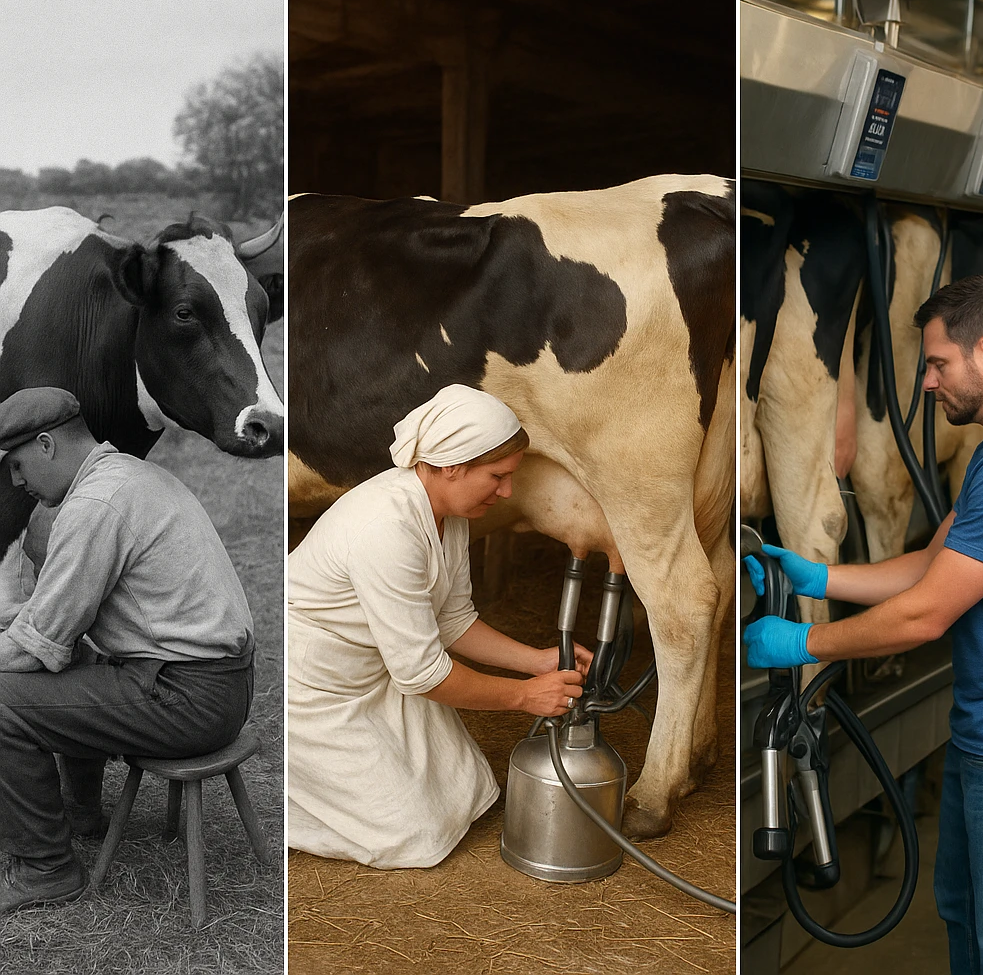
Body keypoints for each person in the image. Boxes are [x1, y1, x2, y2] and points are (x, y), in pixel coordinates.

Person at [743, 274, 983, 975]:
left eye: (938, 364)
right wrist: (819, 577)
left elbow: (927, 613)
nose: (927, 383)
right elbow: (930, 566)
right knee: (963, 916)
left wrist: (804, 641)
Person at [288, 384, 590, 869]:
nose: (508, 491)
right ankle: (293, 791)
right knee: (417, 836)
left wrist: (538, 660)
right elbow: (423, 675)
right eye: (498, 476)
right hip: (314, 690)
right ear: (451, 465)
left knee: (469, 792)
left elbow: (452, 620)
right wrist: (524, 696)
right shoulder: (385, 528)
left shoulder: (450, 514)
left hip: (379, 669)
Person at [0, 386, 255, 914]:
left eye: (18, 464)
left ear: (46, 445)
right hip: (211, 680)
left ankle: (47, 869)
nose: (16, 481)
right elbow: (54, 617)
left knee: (4, 699)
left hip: (189, 697)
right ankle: (82, 811)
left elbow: (41, 643)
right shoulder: (124, 478)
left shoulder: (95, 505)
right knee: (72, 658)